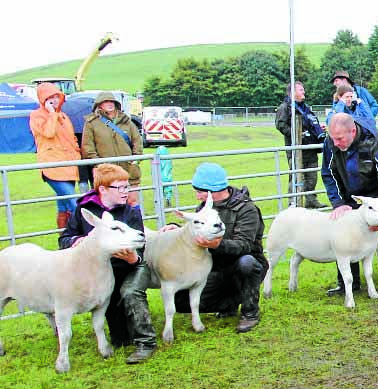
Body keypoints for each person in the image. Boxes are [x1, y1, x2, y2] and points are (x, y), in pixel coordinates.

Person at [58, 164, 157, 364]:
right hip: (100, 272)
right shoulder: (84, 210)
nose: (125, 192)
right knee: (120, 338)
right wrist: (74, 241)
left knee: (130, 291)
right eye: (119, 188)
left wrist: (133, 258)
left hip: (129, 267)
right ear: (102, 189)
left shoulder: (130, 212)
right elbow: (65, 238)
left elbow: (141, 245)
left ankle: (146, 342)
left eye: (126, 187)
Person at [321, 113, 378, 306]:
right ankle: (349, 283)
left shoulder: (375, 141)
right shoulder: (331, 142)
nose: (336, 143)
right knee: (345, 235)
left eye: (340, 138)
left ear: (352, 131)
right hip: (351, 195)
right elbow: (328, 173)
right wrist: (338, 203)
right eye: (333, 138)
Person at [167, 163, 268, 333]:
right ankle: (229, 303)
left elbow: (243, 245)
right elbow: (195, 230)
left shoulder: (246, 210)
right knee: (180, 301)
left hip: (242, 265)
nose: (197, 196)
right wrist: (175, 229)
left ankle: (250, 312)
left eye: (199, 191)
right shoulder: (204, 208)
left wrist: (216, 244)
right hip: (216, 267)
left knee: (247, 262)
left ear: (212, 191)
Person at [29, 82, 82, 228]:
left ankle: (65, 238)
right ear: (42, 99)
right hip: (52, 167)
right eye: (49, 97)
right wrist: (52, 114)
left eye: (56, 96)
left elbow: (72, 140)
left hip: (70, 166)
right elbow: (48, 133)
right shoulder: (36, 116)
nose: (53, 100)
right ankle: (84, 235)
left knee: (63, 207)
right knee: (73, 202)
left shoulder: (64, 116)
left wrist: (77, 158)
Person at [81, 91, 143, 206]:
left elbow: (137, 140)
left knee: (132, 201)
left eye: (111, 101)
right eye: (105, 102)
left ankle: (135, 223)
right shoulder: (92, 123)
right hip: (107, 172)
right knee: (110, 204)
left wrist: (136, 159)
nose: (109, 104)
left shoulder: (126, 121)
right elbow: (87, 147)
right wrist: (99, 165)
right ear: (99, 105)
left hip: (129, 169)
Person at [274, 81, 326, 209]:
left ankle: (311, 200)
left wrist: (318, 129)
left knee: (312, 176)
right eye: (301, 90)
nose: (304, 92)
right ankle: (293, 202)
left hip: (311, 148)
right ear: (293, 92)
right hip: (296, 149)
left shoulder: (306, 108)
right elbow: (280, 125)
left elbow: (310, 124)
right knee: (296, 176)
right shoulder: (285, 107)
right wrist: (297, 134)